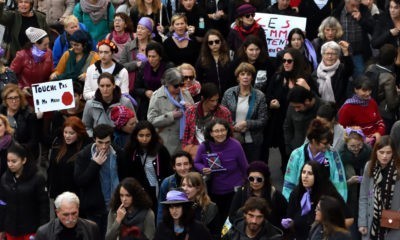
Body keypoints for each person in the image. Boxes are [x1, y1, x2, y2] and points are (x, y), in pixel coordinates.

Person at [74, 124, 127, 238]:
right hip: (95, 208)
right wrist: (95, 164)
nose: (103, 146)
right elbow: (80, 181)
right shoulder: (84, 155)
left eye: (107, 142)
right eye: (100, 142)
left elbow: (125, 176)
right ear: (94, 140)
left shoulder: (117, 153)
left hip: (115, 205)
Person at [194, 118, 248, 223]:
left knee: (232, 220)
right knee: (216, 220)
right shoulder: (204, 146)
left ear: (227, 131)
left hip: (234, 191)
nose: (220, 134)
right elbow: (196, 162)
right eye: (216, 131)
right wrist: (203, 169)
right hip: (213, 191)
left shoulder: (236, 145)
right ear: (211, 133)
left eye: (223, 130)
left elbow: (245, 167)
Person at [282, 161, 352, 240]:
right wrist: (290, 223)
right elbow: (291, 216)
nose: (305, 176)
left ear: (317, 176)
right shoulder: (296, 192)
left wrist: (329, 231)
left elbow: (349, 218)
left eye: (310, 173)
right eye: (303, 172)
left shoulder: (328, 192)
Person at [283, 118, 348, 201]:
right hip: (300, 202)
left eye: (329, 142)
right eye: (325, 143)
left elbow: (340, 184)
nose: (328, 146)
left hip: (325, 204)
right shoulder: (296, 155)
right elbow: (289, 185)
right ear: (313, 141)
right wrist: (291, 207)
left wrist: (337, 207)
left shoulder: (333, 154)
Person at [0, 143, 49, 240]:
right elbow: (2, 204)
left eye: (14, 161)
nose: (10, 164)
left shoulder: (37, 178)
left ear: (24, 160)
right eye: (8, 161)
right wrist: (1, 228)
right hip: (11, 230)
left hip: (30, 230)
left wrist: (43, 230)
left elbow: (44, 207)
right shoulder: (5, 178)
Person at [222, 62, 267, 162]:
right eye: (242, 74)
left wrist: (246, 123)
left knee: (251, 170)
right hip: (233, 138)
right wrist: (234, 126)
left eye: (248, 74)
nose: (245, 77)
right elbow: (222, 116)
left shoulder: (259, 96)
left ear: (252, 77)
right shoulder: (229, 93)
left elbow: (263, 120)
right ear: (238, 77)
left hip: (253, 140)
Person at [124, 120, 172, 210]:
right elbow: (127, 174)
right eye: (141, 135)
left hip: (159, 190)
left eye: (148, 135)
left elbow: (168, 171)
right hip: (140, 192)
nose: (144, 139)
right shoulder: (130, 151)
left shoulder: (161, 150)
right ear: (136, 136)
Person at [358, 135, 400, 239]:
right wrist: (362, 222)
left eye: (388, 152)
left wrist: (395, 217)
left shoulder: (398, 169)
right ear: (375, 152)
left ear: (393, 153)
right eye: (381, 152)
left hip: (394, 221)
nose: (385, 156)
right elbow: (363, 196)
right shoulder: (369, 166)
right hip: (372, 221)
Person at [147, 68, 194, 155]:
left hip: (186, 140)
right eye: (176, 85)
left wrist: (190, 109)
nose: (179, 88)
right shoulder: (157, 96)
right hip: (167, 142)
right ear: (167, 84)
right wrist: (171, 116)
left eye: (181, 84)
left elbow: (195, 115)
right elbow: (151, 120)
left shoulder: (185, 93)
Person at [229, 161, 287, 231]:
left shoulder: (275, 195)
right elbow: (232, 216)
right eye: (251, 179)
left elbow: (285, 216)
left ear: (265, 179)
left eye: (259, 179)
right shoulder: (241, 192)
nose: (255, 182)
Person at [182, 82, 232, 157]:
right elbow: (185, 135)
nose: (215, 103)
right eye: (212, 100)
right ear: (203, 98)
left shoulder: (224, 112)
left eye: (217, 100)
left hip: (218, 150)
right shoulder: (190, 111)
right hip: (195, 151)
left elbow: (229, 135)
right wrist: (187, 151)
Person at [339, 126, 371, 240]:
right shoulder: (340, 157)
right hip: (349, 201)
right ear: (346, 144)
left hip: (366, 198)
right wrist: (349, 181)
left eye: (359, 145)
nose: (356, 149)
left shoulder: (369, 153)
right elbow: (336, 183)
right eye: (352, 146)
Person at [48, 116, 91, 200]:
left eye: (71, 133)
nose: (67, 136)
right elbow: (52, 169)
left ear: (79, 133)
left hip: (77, 195)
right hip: (59, 194)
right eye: (65, 132)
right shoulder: (58, 144)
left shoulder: (86, 148)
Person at [82, 72, 134, 137]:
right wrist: (95, 138)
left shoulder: (125, 102)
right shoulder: (90, 104)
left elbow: (134, 124)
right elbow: (86, 127)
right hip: (98, 142)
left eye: (108, 86)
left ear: (114, 85)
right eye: (102, 86)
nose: (105, 89)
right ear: (98, 86)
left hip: (120, 141)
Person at [338, 75, 386, 146]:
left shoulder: (372, 102)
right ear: (355, 90)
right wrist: (361, 138)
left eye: (369, 90)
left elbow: (379, 121)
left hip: (375, 143)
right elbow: (342, 131)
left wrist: (379, 133)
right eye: (364, 90)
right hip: (357, 146)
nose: (368, 93)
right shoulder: (347, 108)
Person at [10, 27, 52, 105]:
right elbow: (10, 76)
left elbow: (51, 71)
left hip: (44, 95)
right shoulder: (22, 55)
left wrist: (54, 74)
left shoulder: (49, 53)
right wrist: (21, 88)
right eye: (45, 44)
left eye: (48, 43)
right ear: (35, 43)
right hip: (27, 97)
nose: (47, 47)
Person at [333, 0, 374, 77]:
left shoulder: (364, 11)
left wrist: (361, 20)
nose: (355, 8)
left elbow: (373, 29)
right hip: (341, 54)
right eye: (353, 5)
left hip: (358, 53)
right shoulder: (338, 12)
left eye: (357, 6)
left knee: (360, 78)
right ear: (346, 3)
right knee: (343, 79)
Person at [35, 191, 101, 240]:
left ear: (78, 209)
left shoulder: (91, 229)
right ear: (57, 213)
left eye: (74, 213)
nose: (70, 218)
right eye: (66, 215)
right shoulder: (44, 233)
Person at [134, 41, 174, 120]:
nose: (151, 59)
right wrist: (145, 92)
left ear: (160, 57)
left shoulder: (168, 68)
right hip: (147, 103)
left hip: (165, 102)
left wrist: (157, 94)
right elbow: (136, 88)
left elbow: (173, 87)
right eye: (149, 56)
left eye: (154, 56)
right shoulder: (143, 67)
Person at [365, 44, 400, 132]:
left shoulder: (370, 67)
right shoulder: (388, 77)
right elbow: (392, 103)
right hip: (383, 114)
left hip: (367, 108)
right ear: (394, 59)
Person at [0, 84, 39, 161]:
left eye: (16, 98)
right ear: (5, 100)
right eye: (10, 98)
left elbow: (34, 140)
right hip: (4, 149)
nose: (14, 101)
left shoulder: (29, 114)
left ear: (20, 98)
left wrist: (18, 150)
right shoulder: (1, 110)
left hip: (24, 152)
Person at [283, 86, 325, 156]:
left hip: (317, 154)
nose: (296, 110)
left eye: (298, 107)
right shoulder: (293, 105)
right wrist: (288, 145)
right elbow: (287, 126)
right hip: (295, 150)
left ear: (307, 101)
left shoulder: (323, 107)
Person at [120, 17, 156, 93]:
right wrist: (136, 64)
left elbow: (161, 65)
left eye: (142, 29)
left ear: (149, 32)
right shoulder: (128, 46)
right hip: (131, 84)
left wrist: (148, 61)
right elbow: (121, 66)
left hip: (150, 83)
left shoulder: (155, 46)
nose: (139, 31)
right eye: (138, 28)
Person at [157, 150, 193, 224]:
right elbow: (161, 209)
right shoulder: (167, 183)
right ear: (174, 167)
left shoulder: (198, 181)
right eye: (179, 165)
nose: (183, 168)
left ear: (190, 165)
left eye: (186, 164)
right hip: (172, 223)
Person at [313, 41, 353, 106]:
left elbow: (349, 69)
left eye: (333, 54)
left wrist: (346, 52)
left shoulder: (341, 69)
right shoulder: (316, 73)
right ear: (322, 55)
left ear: (337, 56)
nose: (330, 56)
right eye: (327, 53)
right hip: (321, 108)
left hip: (339, 107)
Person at [182, 172, 220, 239]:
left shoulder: (210, 207)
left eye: (189, 186)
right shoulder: (178, 205)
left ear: (198, 188)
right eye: (183, 185)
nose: (185, 188)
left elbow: (215, 235)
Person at [195, 29, 231, 94]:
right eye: (210, 42)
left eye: (217, 41)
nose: (214, 44)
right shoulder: (202, 59)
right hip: (210, 95)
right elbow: (198, 79)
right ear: (207, 44)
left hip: (228, 93)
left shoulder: (229, 56)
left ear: (221, 42)